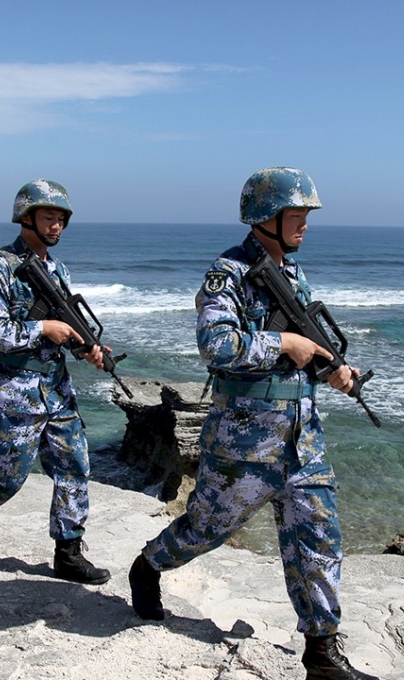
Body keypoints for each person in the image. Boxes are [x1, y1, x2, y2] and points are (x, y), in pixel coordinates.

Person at [128, 168, 375, 679]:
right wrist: (284, 344)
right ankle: (148, 566)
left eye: (307, 215)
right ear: (267, 217)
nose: (306, 224)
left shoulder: (292, 273)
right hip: (245, 438)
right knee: (207, 528)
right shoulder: (229, 272)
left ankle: (322, 652)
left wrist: (333, 371)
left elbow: (308, 345)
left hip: (302, 438)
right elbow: (214, 345)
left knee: (318, 539)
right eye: (297, 215)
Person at [0, 178, 111, 585]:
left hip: (57, 388)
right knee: (7, 477)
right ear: (27, 217)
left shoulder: (57, 269)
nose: (56, 227)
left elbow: (67, 326)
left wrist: (88, 350)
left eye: (61, 220)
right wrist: (42, 329)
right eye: (49, 218)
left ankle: (68, 552)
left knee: (75, 466)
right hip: (16, 390)